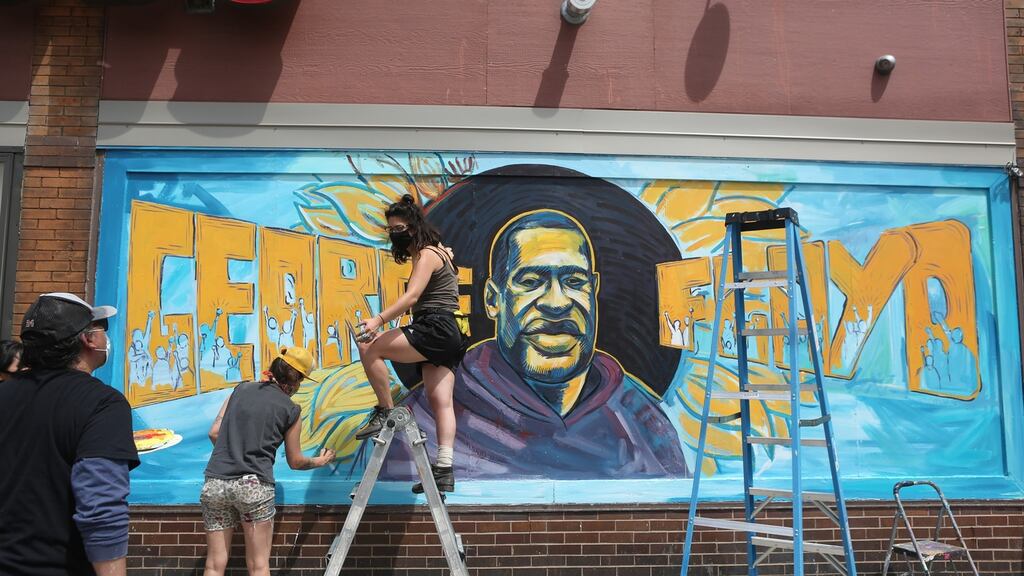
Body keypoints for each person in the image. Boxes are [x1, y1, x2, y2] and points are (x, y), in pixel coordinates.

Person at [389, 210, 688, 480]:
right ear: (494, 300)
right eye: (531, 282)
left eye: (574, 281)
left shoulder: (644, 422)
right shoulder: (424, 420)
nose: (557, 304)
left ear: (593, 291)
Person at [0, 293, 138, 576]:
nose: (105, 339)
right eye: (102, 330)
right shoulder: (103, 403)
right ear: (88, 340)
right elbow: (101, 506)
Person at [353, 193, 467, 493]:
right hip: (448, 331)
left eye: (399, 229)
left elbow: (412, 297)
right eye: (391, 230)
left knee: (369, 346)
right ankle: (444, 468)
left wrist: (378, 320)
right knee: (441, 402)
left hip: (435, 326)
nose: (395, 235)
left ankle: (385, 410)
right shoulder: (439, 252)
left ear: (414, 227)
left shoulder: (428, 254)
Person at [201, 346, 335, 576]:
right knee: (258, 565)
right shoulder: (291, 409)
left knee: (214, 564)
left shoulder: (240, 389)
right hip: (253, 486)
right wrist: (319, 462)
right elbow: (295, 461)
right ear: (297, 380)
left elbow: (214, 433)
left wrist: (234, 453)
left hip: (215, 483)